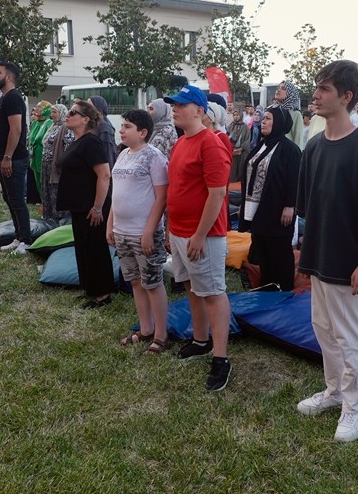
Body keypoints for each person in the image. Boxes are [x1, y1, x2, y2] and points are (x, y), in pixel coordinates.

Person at [295, 59, 358, 442]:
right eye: (317, 87)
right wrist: (304, 254)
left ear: (347, 97)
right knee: (324, 328)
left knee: (350, 334)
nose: (316, 94)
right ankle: (334, 391)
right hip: (318, 255)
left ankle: (355, 408)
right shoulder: (314, 146)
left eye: (325, 89)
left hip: (348, 259)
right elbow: (309, 208)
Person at [165, 84, 234, 391]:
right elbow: (176, 189)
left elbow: (218, 193)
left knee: (213, 293)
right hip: (179, 232)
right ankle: (201, 339)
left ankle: (221, 358)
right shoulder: (180, 144)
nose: (175, 109)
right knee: (191, 288)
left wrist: (199, 235)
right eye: (174, 105)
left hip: (202, 235)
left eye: (181, 104)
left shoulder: (211, 143)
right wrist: (171, 229)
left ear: (199, 110)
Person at [108, 109, 170, 352]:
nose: (121, 129)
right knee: (135, 282)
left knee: (152, 283)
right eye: (122, 125)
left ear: (143, 132)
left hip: (144, 233)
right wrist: (111, 224)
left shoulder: (154, 157)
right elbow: (117, 194)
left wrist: (149, 231)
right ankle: (146, 330)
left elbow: (161, 198)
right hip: (122, 232)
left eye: (127, 126)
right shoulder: (123, 155)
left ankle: (161, 335)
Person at [57, 101, 115, 309]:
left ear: (85, 119)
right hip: (79, 205)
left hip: (92, 206)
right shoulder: (77, 141)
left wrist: (98, 207)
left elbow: (105, 175)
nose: (68, 114)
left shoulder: (92, 142)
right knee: (83, 247)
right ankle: (91, 288)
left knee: (95, 248)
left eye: (73, 112)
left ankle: (102, 294)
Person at [238, 106, 301, 292]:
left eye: (268, 119)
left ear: (279, 123)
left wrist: (290, 205)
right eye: (263, 118)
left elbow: (295, 179)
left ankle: (284, 289)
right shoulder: (262, 144)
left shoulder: (290, 150)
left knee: (279, 251)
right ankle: (267, 288)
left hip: (278, 208)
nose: (263, 121)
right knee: (263, 250)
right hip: (259, 208)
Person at [0, 60, 31, 253]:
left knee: (16, 199)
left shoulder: (13, 98)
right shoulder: (3, 98)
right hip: (3, 157)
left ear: (8, 77)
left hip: (13, 159)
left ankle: (26, 240)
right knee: (9, 198)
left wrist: (7, 157)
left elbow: (16, 130)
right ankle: (18, 236)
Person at [41, 104, 72, 222]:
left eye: (55, 112)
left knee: (56, 191)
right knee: (47, 191)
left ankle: (59, 218)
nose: (52, 115)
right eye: (51, 112)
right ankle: (49, 217)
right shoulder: (53, 126)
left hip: (56, 166)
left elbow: (67, 147)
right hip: (46, 164)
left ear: (62, 113)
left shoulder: (66, 127)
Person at [27, 99, 53, 203]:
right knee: (38, 181)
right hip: (34, 156)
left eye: (39, 107)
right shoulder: (34, 123)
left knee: (44, 182)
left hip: (43, 156)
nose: (36, 109)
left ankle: (47, 203)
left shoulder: (49, 123)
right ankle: (42, 201)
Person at [272, 81, 306, 148]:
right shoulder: (274, 111)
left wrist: (296, 157)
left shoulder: (296, 114)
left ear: (291, 93)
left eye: (283, 89)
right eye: (278, 88)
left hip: (286, 154)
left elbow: (298, 140)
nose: (278, 90)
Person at [89, 95, 118, 169]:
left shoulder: (104, 127)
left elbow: (107, 153)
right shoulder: (94, 124)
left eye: (89, 106)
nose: (86, 109)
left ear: (98, 108)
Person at [227, 105, 251, 183]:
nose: (236, 117)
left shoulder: (245, 127)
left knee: (241, 171)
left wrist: (241, 148)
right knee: (232, 172)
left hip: (242, 153)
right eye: (234, 115)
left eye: (237, 115)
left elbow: (247, 140)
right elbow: (227, 138)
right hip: (232, 152)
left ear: (241, 115)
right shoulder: (230, 126)